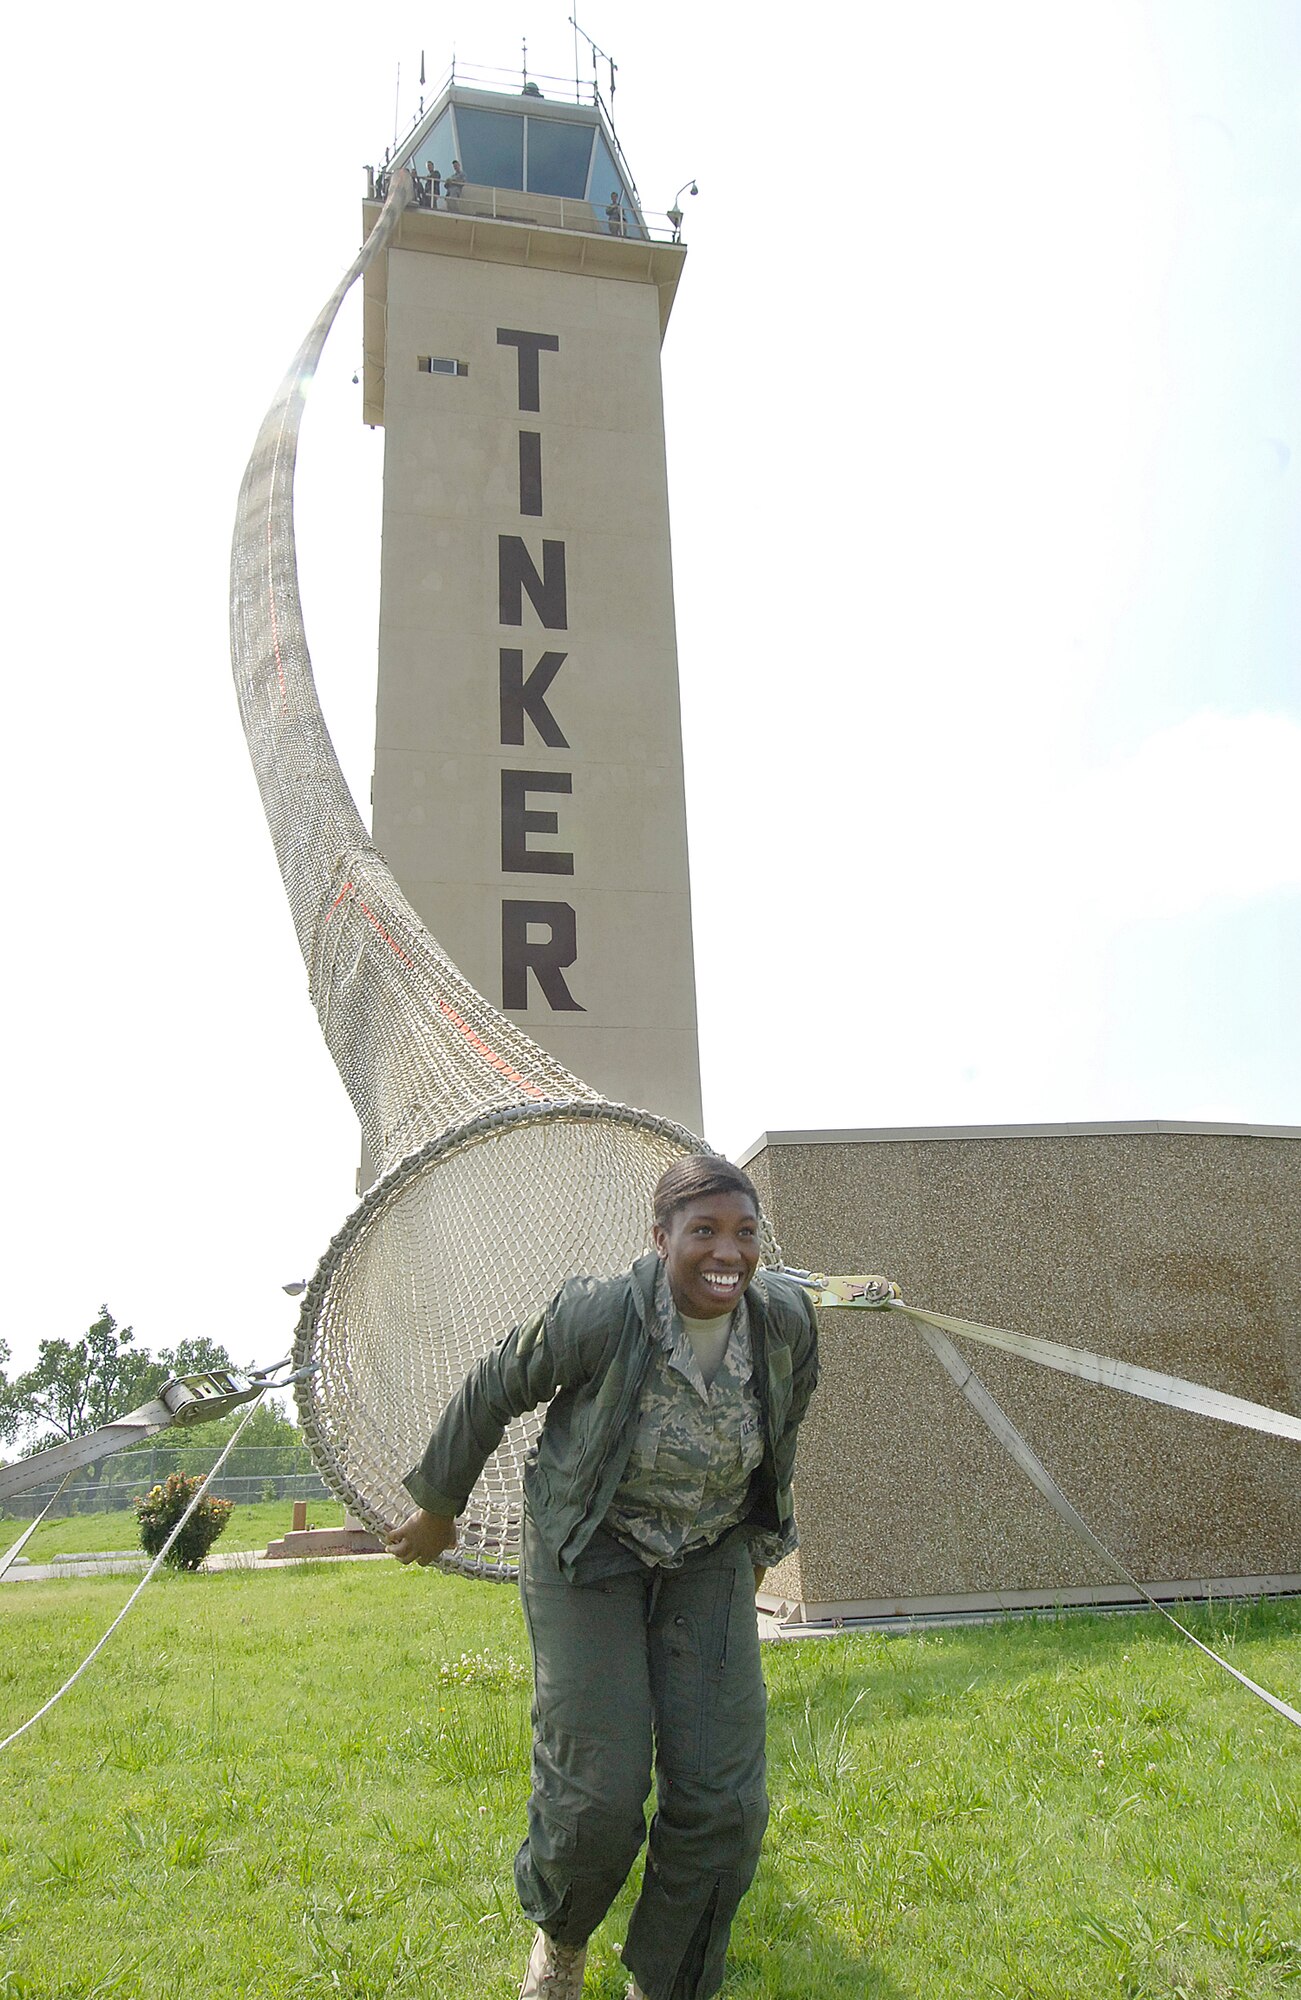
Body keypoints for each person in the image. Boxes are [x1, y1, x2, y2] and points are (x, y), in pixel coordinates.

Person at [388, 1153, 821, 2000]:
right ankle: (562, 1940)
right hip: (587, 1548)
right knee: (598, 1792)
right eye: (702, 1231)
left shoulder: (787, 1320)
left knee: (722, 1800)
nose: (724, 1252)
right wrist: (439, 1507)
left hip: (708, 1551)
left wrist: (761, 1526)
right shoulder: (598, 1313)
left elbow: (786, 1411)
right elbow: (493, 1385)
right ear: (660, 1239)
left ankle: (668, 1980)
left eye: (742, 1231)